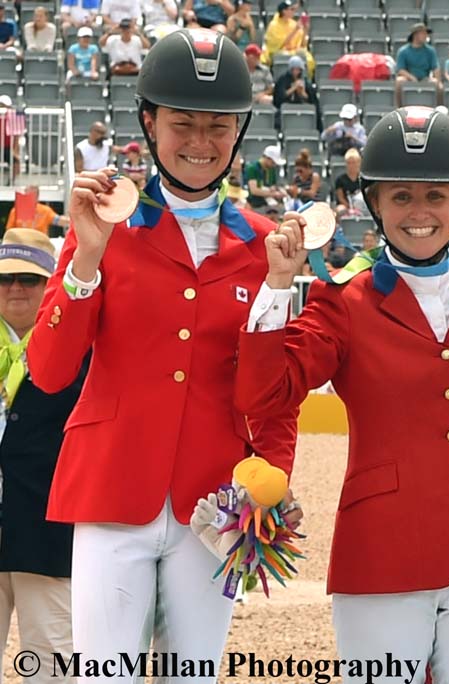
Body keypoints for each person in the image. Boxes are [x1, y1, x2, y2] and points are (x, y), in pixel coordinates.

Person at [234, 105, 449, 684]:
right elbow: (266, 394)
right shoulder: (344, 299)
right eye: (401, 196)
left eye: (435, 196)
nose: (420, 213)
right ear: (375, 205)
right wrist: (277, 289)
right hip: (384, 548)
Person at [27, 30, 300, 684]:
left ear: (240, 132)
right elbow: (49, 370)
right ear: (149, 122)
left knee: (192, 676)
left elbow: (277, 395)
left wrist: (272, 485)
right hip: (112, 486)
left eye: (218, 125)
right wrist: (86, 256)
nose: (201, 141)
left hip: (217, 498)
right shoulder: (102, 222)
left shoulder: (267, 245)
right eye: (183, 123)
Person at [0, 230, 82, 684]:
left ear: (50, 285)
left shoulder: (78, 350)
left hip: (46, 531)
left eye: (29, 280)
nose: (15, 288)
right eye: (6, 278)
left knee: (52, 664)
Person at [263, 0, 312, 75]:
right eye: (291, 9)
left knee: (307, 58)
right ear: (284, 11)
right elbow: (280, 45)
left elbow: (303, 44)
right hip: (280, 53)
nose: (294, 12)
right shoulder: (273, 26)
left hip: (294, 51)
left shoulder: (293, 23)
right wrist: (295, 30)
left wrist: (305, 30)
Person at [245, 143, 287, 210]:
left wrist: (277, 190)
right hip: (255, 205)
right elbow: (254, 190)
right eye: (273, 162)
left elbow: (273, 185)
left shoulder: (271, 169)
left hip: (269, 204)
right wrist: (273, 194)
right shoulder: (252, 168)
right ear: (267, 158)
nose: (274, 165)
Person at [333, 148, 367, 217]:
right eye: (349, 163)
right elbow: (340, 198)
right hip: (346, 206)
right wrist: (350, 207)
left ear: (359, 163)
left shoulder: (363, 179)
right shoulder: (340, 180)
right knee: (339, 209)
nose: (351, 165)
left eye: (354, 162)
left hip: (361, 205)